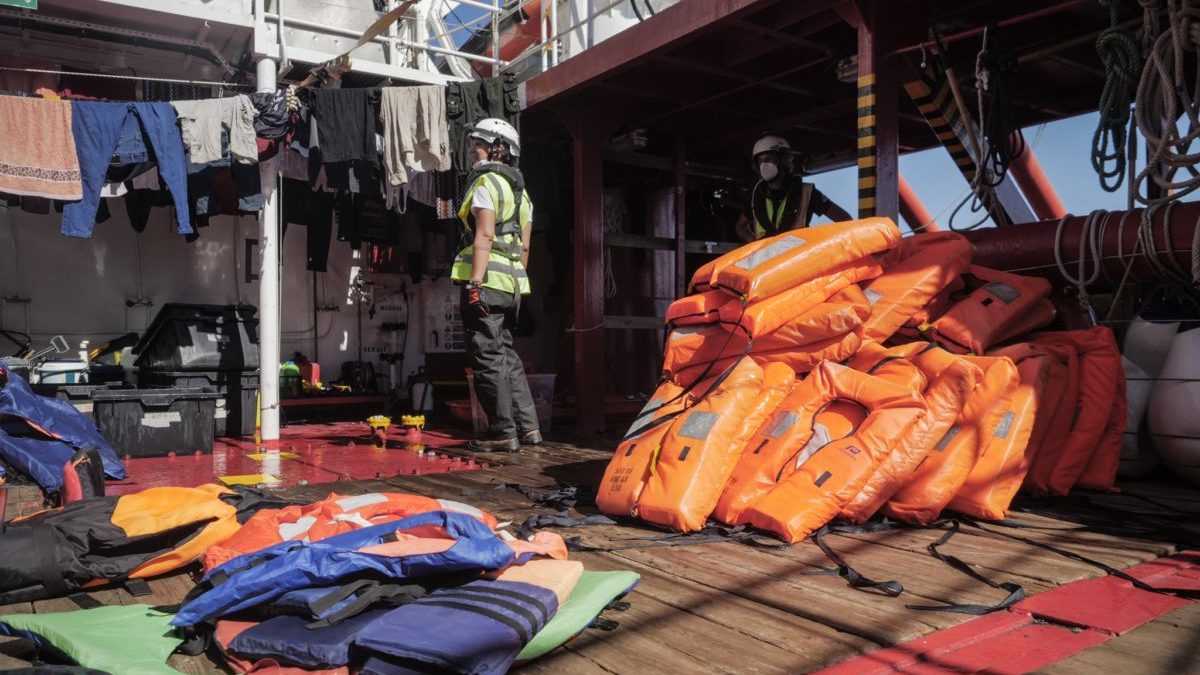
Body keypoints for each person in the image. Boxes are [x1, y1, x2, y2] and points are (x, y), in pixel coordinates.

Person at [450, 118, 541, 452]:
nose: (474, 149)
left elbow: (484, 234)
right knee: (506, 354)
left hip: (486, 282)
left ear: (497, 148)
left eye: (479, 143)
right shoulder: (523, 195)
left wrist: (475, 282)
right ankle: (529, 428)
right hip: (513, 285)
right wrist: (517, 284)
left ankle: (502, 433)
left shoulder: (487, 183)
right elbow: (525, 247)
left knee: (487, 357)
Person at [734, 135, 851, 242]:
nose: (764, 165)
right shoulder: (756, 196)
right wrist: (756, 246)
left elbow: (844, 219)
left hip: (796, 260)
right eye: (761, 160)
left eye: (769, 159)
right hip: (768, 261)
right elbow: (741, 227)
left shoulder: (807, 192)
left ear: (784, 160)